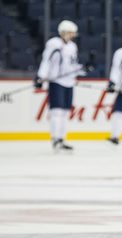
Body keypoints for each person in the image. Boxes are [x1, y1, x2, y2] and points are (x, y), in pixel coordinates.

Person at [35, 20, 88, 151]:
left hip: (69, 82)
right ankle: (55, 139)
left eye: (73, 33)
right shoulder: (53, 44)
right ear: (63, 32)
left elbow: (72, 65)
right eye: (70, 32)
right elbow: (46, 61)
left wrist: (83, 69)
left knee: (65, 112)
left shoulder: (72, 46)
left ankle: (62, 139)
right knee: (56, 111)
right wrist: (40, 77)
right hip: (56, 81)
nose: (72, 35)